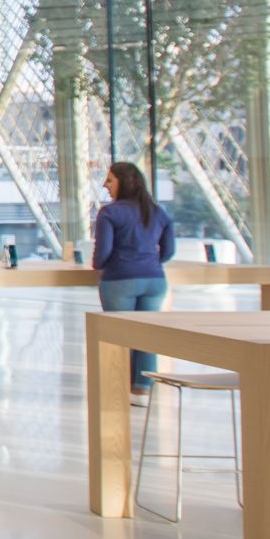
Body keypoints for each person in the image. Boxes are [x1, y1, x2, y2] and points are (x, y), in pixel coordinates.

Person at [92, 161, 175, 398]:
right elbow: (168, 251)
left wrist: (99, 265)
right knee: (146, 335)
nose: (105, 185)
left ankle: (116, 391)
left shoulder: (109, 213)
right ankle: (142, 389)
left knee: (119, 337)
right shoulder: (158, 212)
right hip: (154, 281)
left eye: (109, 180)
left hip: (120, 280)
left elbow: (102, 253)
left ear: (123, 182)